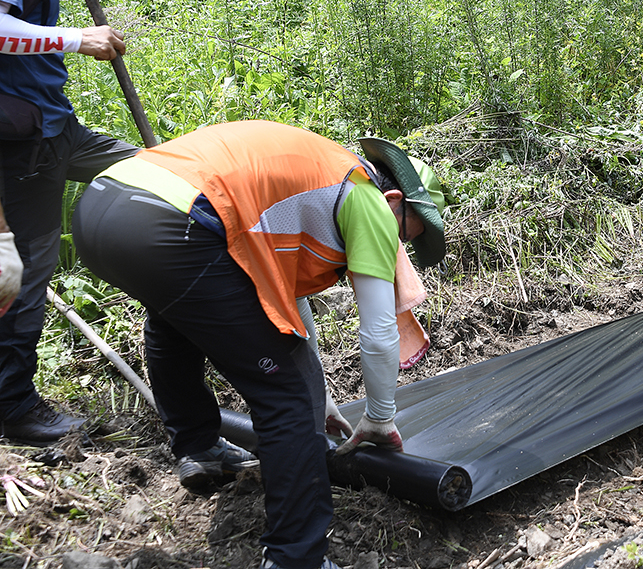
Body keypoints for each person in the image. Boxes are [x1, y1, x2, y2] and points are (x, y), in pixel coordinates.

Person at [71, 120, 447, 569]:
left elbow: (284, 303)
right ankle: (296, 558)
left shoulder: (316, 183)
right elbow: (380, 329)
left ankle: (199, 447)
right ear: (395, 202)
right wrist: (380, 417)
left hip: (102, 206)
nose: (398, 249)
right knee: (287, 399)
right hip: (174, 222)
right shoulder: (362, 195)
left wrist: (324, 399)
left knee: (173, 321)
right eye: (405, 236)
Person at [0, 0, 139, 445]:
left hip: (56, 127)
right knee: (31, 269)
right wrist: (76, 37)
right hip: (24, 142)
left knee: (155, 168)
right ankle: (15, 407)